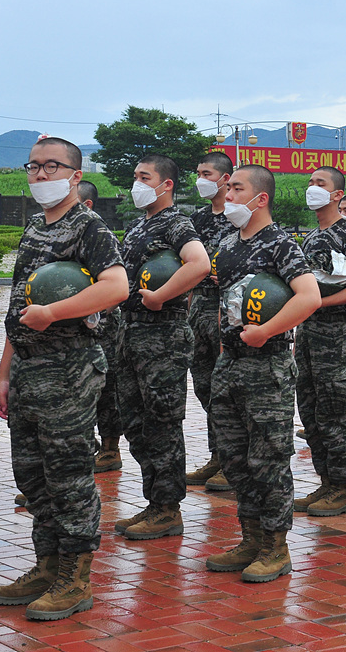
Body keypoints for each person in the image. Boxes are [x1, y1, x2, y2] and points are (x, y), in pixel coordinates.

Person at [0, 137, 128, 620]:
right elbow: (19, 309)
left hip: (69, 366)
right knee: (32, 473)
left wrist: (53, 312)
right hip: (28, 367)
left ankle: (74, 574)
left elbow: (117, 286)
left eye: (53, 166)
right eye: (34, 166)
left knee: (68, 473)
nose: (41, 175)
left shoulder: (87, 226)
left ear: (74, 174)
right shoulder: (33, 228)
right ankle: (46, 564)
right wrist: (5, 373)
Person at [206, 164, 321, 582]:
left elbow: (308, 297)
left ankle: (275, 546)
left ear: (261, 198)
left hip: (266, 366)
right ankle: (250, 537)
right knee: (235, 459)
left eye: (237, 188)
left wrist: (268, 331)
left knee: (268, 460)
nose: (228, 193)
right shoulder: (228, 244)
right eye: (229, 187)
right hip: (230, 364)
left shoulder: (281, 245)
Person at [114, 154, 211, 539]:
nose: (136, 182)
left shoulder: (175, 223)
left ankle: (168, 508)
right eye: (135, 175)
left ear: (166, 184)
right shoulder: (139, 226)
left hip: (162, 336)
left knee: (162, 423)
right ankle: (154, 501)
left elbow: (198, 264)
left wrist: (161, 296)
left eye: (144, 176)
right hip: (131, 334)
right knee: (136, 424)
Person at [292, 166, 346, 517]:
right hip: (309, 334)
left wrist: (318, 303)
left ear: (338, 195)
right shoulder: (311, 237)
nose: (312, 189)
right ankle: (325, 482)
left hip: (336, 335)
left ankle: (342, 489)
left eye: (320, 184)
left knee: (334, 413)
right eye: (310, 183)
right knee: (310, 411)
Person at [186, 152, 236, 490]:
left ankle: (234, 463)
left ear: (225, 178)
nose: (201, 179)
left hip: (229, 308)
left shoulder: (238, 217)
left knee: (228, 389)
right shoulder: (197, 219)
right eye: (199, 173)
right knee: (205, 386)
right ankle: (218, 455)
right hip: (199, 308)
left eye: (207, 173)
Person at [73, 180, 125, 474]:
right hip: (67, 327)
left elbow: (114, 287)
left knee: (105, 388)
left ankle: (109, 449)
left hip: (101, 325)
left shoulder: (99, 236)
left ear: (87, 204)